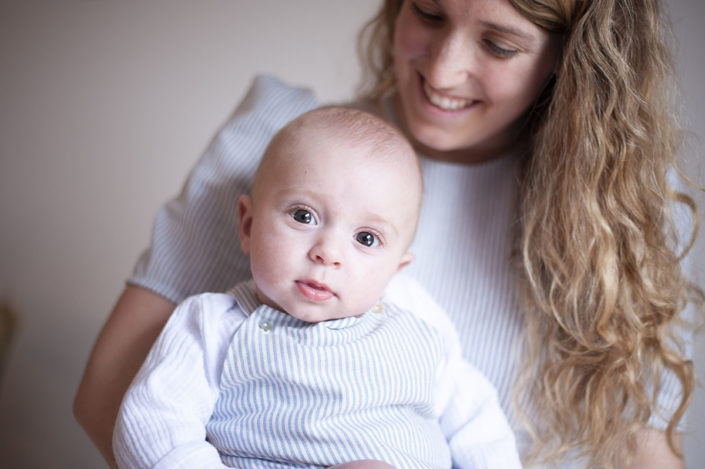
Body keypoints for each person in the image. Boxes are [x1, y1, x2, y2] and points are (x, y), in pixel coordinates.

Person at [74, 1, 703, 468]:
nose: (445, 69)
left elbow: (638, 448)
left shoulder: (619, 213)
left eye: (499, 45)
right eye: (429, 13)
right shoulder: (285, 147)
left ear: (571, 55)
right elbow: (114, 396)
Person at [112, 107, 521, 469]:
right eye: (304, 215)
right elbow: (152, 424)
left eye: (365, 239)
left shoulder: (418, 322)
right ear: (248, 226)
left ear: (396, 270)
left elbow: (478, 426)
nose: (327, 253)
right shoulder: (212, 324)